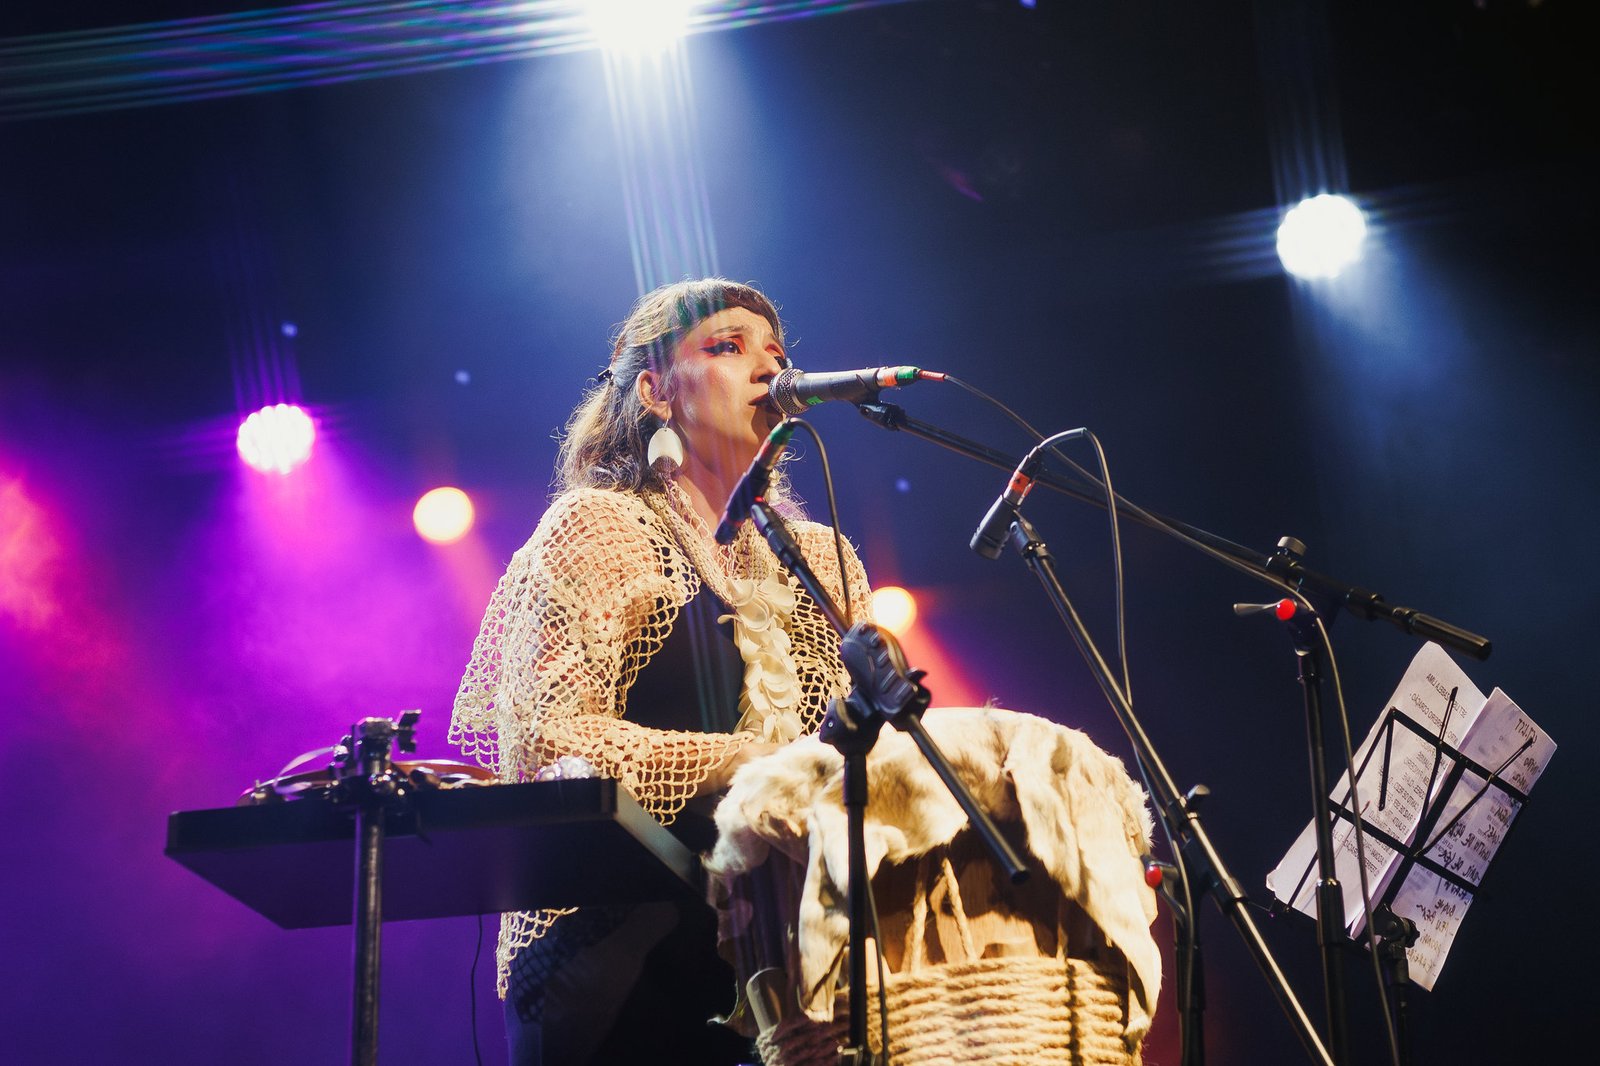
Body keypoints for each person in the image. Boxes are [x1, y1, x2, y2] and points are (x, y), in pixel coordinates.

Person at [450, 278, 872, 1065]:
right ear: (654, 391)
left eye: (775, 352)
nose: (768, 367)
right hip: (622, 960)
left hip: (798, 972)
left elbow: (870, 747)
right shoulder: (604, 527)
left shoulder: (822, 557)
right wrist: (749, 760)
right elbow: (546, 739)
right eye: (727, 347)